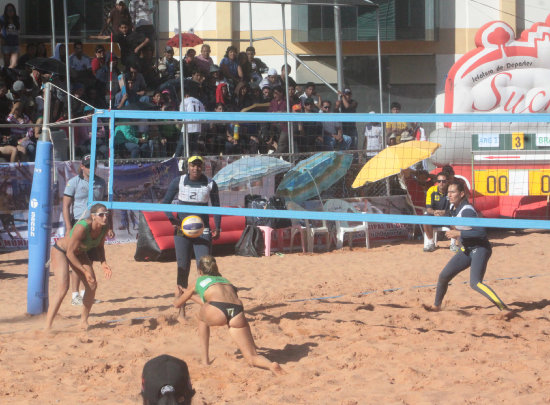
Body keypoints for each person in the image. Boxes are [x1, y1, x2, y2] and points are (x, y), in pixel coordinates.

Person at [174, 255, 284, 374]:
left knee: (201, 318)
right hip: (236, 312)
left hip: (216, 309)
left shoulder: (198, 281)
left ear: (200, 271)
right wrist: (189, 295)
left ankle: (205, 360)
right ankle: (270, 365)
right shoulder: (225, 281)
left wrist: (179, 294)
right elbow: (214, 301)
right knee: (252, 357)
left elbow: (177, 304)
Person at [423, 181, 508, 313]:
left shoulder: (467, 210)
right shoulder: (453, 208)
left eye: (453, 192)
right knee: (444, 276)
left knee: (475, 283)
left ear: (462, 194)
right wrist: (435, 214)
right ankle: (436, 306)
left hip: (480, 248)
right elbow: (449, 217)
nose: (449, 195)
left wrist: (458, 233)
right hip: (467, 249)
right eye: (448, 192)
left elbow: (481, 232)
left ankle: (504, 308)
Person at [162, 156, 221, 313]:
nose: (196, 168)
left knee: (206, 269)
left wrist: (218, 227)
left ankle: (209, 307)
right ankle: (181, 310)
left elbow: (217, 207)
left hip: (203, 230)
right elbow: (165, 203)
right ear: (188, 166)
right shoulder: (178, 181)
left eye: (198, 165)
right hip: (182, 229)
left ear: (203, 167)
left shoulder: (210, 183)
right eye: (193, 165)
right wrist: (172, 219)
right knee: (182, 268)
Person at [45, 203, 113, 330]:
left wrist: (103, 263)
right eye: (101, 215)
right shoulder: (82, 228)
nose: (105, 217)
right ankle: (47, 327)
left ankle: (83, 321)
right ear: (93, 216)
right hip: (62, 251)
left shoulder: (104, 227)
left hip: (79, 252)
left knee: (92, 285)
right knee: (63, 288)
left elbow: (100, 247)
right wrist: (84, 271)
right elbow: (70, 253)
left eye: (106, 214)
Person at [63, 154, 113, 306]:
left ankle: (86, 293)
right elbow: (65, 206)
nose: (92, 168)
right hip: (79, 224)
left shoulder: (101, 182)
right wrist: (68, 227)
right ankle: (75, 295)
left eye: (94, 165)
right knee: (76, 260)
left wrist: (109, 226)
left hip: (94, 224)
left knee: (89, 260)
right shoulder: (74, 182)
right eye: (88, 165)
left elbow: (106, 206)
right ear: (82, 166)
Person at [423, 171, 450, 252]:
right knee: (425, 219)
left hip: (448, 216)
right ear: (436, 182)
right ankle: (431, 243)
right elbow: (428, 209)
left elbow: (455, 209)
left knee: (456, 218)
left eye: (444, 181)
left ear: (447, 182)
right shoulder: (431, 190)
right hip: (435, 216)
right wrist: (434, 212)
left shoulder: (451, 190)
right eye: (439, 181)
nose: (441, 183)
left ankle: (453, 244)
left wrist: (444, 212)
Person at [0, 3, 20, 69]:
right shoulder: (2, 19)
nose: (10, 12)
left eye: (11, 10)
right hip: (6, 44)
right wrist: (1, 38)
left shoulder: (16, 19)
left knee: (14, 64)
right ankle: (7, 77)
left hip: (15, 44)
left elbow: (18, 30)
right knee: (7, 63)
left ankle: (10, 74)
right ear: (6, 11)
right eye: (8, 10)